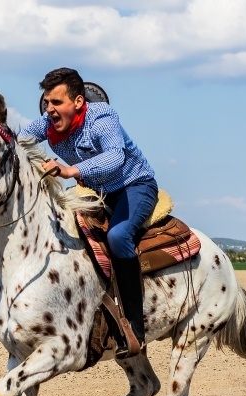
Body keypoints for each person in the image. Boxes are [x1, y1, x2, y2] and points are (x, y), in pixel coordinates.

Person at [20, 67, 158, 358]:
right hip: (97, 193)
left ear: (79, 102)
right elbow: (20, 140)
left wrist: (72, 170)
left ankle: (135, 327)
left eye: (56, 102)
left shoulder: (102, 117)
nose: (50, 110)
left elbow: (115, 156)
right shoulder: (48, 123)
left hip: (133, 186)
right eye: (46, 102)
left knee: (119, 236)